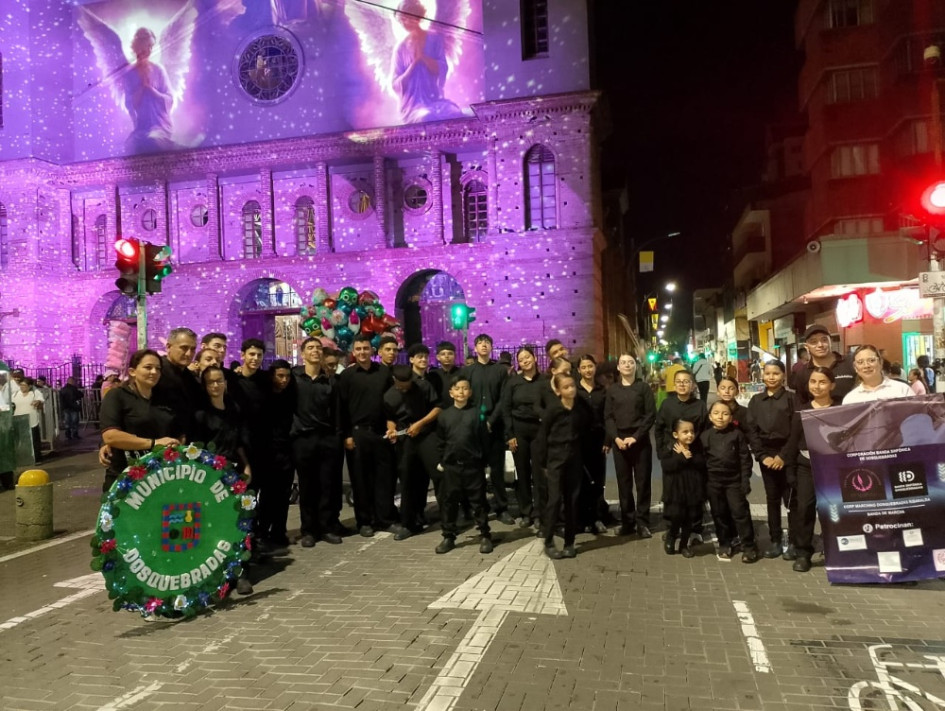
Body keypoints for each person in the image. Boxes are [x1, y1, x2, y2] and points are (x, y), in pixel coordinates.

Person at [192, 364, 254, 595]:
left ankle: (241, 572)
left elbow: (238, 442)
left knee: (239, 523)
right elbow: (195, 450)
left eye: (220, 381)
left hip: (234, 471)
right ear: (205, 386)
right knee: (214, 526)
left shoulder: (234, 408)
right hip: (209, 477)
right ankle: (218, 576)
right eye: (211, 382)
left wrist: (247, 465)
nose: (216, 385)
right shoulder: (200, 414)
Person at [338, 333, 397, 536]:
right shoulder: (346, 376)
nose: (362, 352)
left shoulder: (383, 373)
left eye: (366, 348)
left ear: (372, 351)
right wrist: (347, 435)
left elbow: (391, 403)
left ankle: (384, 519)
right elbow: (341, 409)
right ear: (353, 352)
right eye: (359, 349)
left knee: (384, 479)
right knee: (360, 481)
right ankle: (364, 522)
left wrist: (391, 425)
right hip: (357, 434)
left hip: (380, 434)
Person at [99, 350, 181, 492]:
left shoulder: (166, 399)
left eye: (158, 369)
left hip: (159, 479)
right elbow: (110, 435)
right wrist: (153, 444)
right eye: (148, 367)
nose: (154, 372)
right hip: (126, 478)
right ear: (132, 371)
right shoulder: (117, 395)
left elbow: (176, 433)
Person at [291, 338, 343, 547]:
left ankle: (327, 527)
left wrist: (337, 438)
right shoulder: (293, 379)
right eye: (310, 348)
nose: (315, 351)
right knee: (307, 486)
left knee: (327, 485)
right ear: (302, 354)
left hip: (326, 439)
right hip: (302, 440)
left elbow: (338, 412)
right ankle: (309, 531)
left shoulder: (330, 381)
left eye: (318, 348)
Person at [784, 367, 836, 573]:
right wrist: (790, 470)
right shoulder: (801, 412)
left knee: (832, 510)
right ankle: (803, 553)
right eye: (813, 382)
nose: (817, 386)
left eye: (822, 382)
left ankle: (834, 551)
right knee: (804, 509)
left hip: (832, 468)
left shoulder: (841, 408)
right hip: (805, 467)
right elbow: (792, 443)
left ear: (832, 385)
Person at [435, 374, 492, 554]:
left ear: (470, 392)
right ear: (451, 392)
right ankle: (448, 536)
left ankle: (485, 534)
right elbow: (440, 441)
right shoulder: (444, 416)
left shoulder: (477, 414)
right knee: (449, 502)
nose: (461, 391)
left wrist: (486, 464)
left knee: (479, 502)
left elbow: (484, 440)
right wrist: (441, 460)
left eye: (465, 388)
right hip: (452, 467)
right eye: (457, 388)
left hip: (473, 466)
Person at [461, 334, 514, 525]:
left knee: (497, 470)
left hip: (495, 425)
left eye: (487, 343)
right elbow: (464, 397)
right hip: (475, 427)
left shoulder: (500, 370)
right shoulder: (468, 371)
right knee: (475, 471)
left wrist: (491, 420)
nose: (484, 346)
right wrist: (476, 421)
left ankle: (502, 508)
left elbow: (503, 398)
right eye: (480, 343)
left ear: (491, 347)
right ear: (475, 348)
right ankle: (479, 508)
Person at [746, 360, 796, 560]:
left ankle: (794, 541)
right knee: (772, 499)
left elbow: (796, 430)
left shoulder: (792, 399)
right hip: (766, 456)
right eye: (767, 373)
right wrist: (762, 456)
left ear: (783, 375)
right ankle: (775, 540)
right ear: (762, 375)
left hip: (788, 455)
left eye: (776, 373)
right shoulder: (756, 401)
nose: (771, 377)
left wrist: (783, 456)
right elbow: (751, 430)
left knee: (792, 500)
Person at [384, 364, 441, 539]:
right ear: (395, 381)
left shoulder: (423, 386)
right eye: (401, 385)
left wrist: (420, 423)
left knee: (436, 475)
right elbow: (390, 418)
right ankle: (408, 523)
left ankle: (448, 518)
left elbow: (437, 408)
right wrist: (391, 430)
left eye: (408, 384)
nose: (405, 387)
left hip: (426, 434)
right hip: (405, 439)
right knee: (407, 479)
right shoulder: (389, 395)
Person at [537, 373, 588, 560]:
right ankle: (549, 541)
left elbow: (587, 425)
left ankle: (569, 542)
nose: (571, 390)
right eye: (566, 387)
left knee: (572, 500)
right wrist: (543, 462)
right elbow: (543, 436)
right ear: (558, 391)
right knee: (555, 500)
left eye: (572, 386)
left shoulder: (580, 408)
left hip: (574, 458)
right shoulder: (553, 410)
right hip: (555, 458)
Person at [604, 353, 655, 537]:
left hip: (640, 442)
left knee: (643, 484)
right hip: (620, 442)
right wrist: (616, 438)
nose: (627, 365)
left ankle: (643, 523)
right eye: (623, 362)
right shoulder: (612, 390)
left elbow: (650, 415)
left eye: (630, 362)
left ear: (636, 366)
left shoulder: (643, 388)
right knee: (624, 484)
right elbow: (608, 417)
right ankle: (628, 521)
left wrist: (635, 437)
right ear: (618, 367)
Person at [701, 400, 758, 563]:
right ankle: (725, 543)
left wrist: (745, 480)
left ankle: (748, 545)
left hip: (734, 481)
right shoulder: (705, 436)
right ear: (710, 417)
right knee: (719, 514)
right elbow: (702, 462)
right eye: (716, 413)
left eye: (725, 414)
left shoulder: (737, 434)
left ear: (731, 417)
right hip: (713, 482)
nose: (720, 417)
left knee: (740, 513)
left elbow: (745, 459)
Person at [391, 0, 464, 124]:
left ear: (416, 15)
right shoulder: (401, 49)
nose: (403, 22)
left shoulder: (434, 39)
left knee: (454, 113)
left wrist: (424, 58)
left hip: (435, 100)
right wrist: (413, 65)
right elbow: (395, 84)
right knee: (426, 118)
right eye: (401, 19)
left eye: (406, 17)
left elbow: (442, 68)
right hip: (413, 106)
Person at [501, 347, 545, 529]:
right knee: (523, 472)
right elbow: (506, 409)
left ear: (534, 358)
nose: (525, 360)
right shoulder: (513, 382)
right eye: (521, 359)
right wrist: (510, 435)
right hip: (519, 430)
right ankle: (526, 511)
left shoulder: (545, 381)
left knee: (539, 473)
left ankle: (541, 512)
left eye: (528, 357)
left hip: (539, 430)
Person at [256, 359, 295, 549]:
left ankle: (279, 532)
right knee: (267, 497)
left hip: (286, 452)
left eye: (287, 376)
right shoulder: (263, 396)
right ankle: (262, 533)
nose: (284, 380)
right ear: (272, 376)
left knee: (283, 495)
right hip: (266, 453)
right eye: (280, 376)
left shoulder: (290, 395)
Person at [659, 418, 706, 558]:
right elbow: (667, 466)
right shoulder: (669, 448)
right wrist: (682, 456)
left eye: (691, 431)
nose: (689, 435)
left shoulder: (697, 448)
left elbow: (701, 463)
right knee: (676, 516)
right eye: (685, 432)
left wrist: (689, 456)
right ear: (675, 434)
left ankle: (684, 545)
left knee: (689, 519)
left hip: (693, 490)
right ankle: (671, 536)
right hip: (676, 491)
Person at [575, 355, 609, 533]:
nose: (587, 370)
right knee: (581, 481)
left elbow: (608, 416)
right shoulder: (574, 390)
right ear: (579, 370)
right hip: (579, 441)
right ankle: (584, 519)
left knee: (598, 480)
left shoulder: (603, 390)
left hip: (598, 441)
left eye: (590, 366)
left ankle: (597, 517)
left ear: (595, 368)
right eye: (584, 367)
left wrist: (607, 440)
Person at [791, 325, 856, 403]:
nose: (820, 345)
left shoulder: (849, 362)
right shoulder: (802, 373)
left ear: (830, 341)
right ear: (806, 346)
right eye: (813, 342)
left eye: (824, 340)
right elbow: (801, 403)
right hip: (818, 415)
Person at [842, 345, 915, 404]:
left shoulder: (903, 390)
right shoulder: (850, 399)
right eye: (860, 362)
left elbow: (916, 418)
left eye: (871, 360)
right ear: (855, 367)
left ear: (881, 362)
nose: (866, 365)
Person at [12, 378, 45, 461]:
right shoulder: (15, 394)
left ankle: (37, 458)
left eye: (24, 385)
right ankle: (22, 458)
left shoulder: (34, 393)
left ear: (30, 386)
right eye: (21, 385)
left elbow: (41, 401)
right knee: (20, 441)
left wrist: (38, 402)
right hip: (19, 420)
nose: (22, 387)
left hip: (32, 420)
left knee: (34, 440)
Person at [427, 341, 459, 408]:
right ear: (438, 357)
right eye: (443, 354)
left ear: (455, 356)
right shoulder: (433, 375)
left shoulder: (462, 373)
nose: (447, 356)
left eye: (450, 353)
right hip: (439, 412)